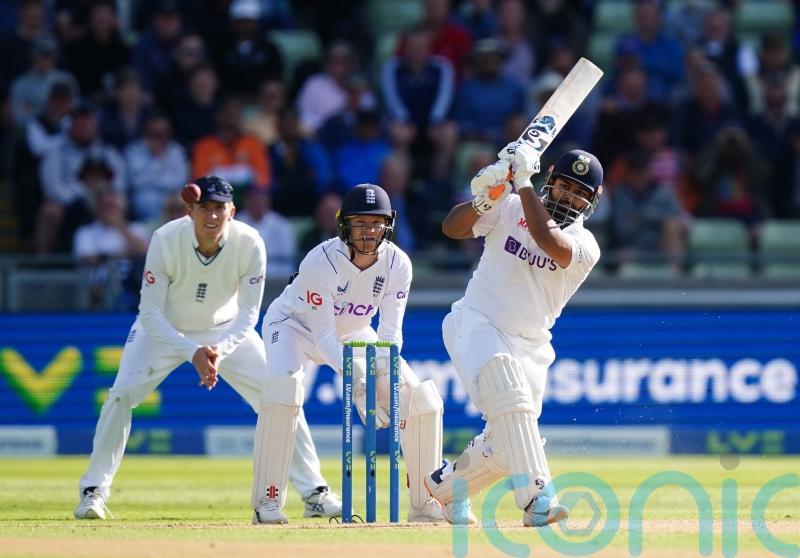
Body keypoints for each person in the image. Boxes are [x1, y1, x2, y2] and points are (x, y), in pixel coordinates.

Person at [74, 176, 341, 521]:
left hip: (227, 331)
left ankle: (314, 493)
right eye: (205, 208)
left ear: (232, 211)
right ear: (190, 210)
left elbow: (248, 314)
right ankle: (93, 491)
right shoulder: (165, 239)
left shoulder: (250, 243)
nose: (211, 216)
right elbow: (150, 313)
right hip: (163, 331)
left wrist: (216, 348)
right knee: (121, 395)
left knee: (281, 395)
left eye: (219, 208)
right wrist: (192, 352)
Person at [425, 142, 604, 527]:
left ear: (592, 201)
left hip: (532, 345)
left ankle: (448, 488)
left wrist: (521, 181)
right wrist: (484, 199)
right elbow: (451, 228)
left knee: (509, 446)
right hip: (476, 321)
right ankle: (538, 500)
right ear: (552, 180)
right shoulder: (508, 205)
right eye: (564, 186)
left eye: (579, 193)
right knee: (509, 393)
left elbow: (547, 240)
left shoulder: (586, 246)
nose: (569, 196)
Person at [251, 184, 445, 524]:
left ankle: (424, 502)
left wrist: (383, 375)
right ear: (344, 225)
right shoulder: (320, 262)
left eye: (376, 223)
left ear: (388, 225)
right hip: (294, 325)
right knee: (284, 391)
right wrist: (358, 376)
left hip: (355, 330)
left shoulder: (398, 263)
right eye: (360, 223)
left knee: (417, 397)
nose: (368, 231)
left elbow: (389, 334)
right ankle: (267, 503)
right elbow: (324, 336)